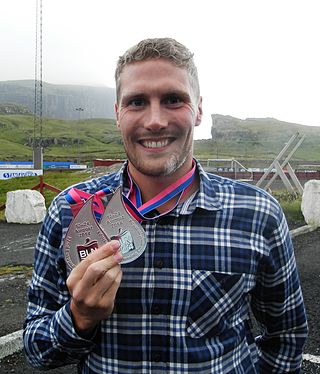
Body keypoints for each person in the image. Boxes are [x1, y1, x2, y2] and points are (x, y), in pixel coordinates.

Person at [23, 37, 308, 373]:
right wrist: (79, 318)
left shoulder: (259, 215)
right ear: (117, 114)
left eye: (173, 99)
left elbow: (286, 336)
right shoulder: (70, 212)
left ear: (198, 109)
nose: (155, 120)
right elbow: (36, 350)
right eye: (137, 102)